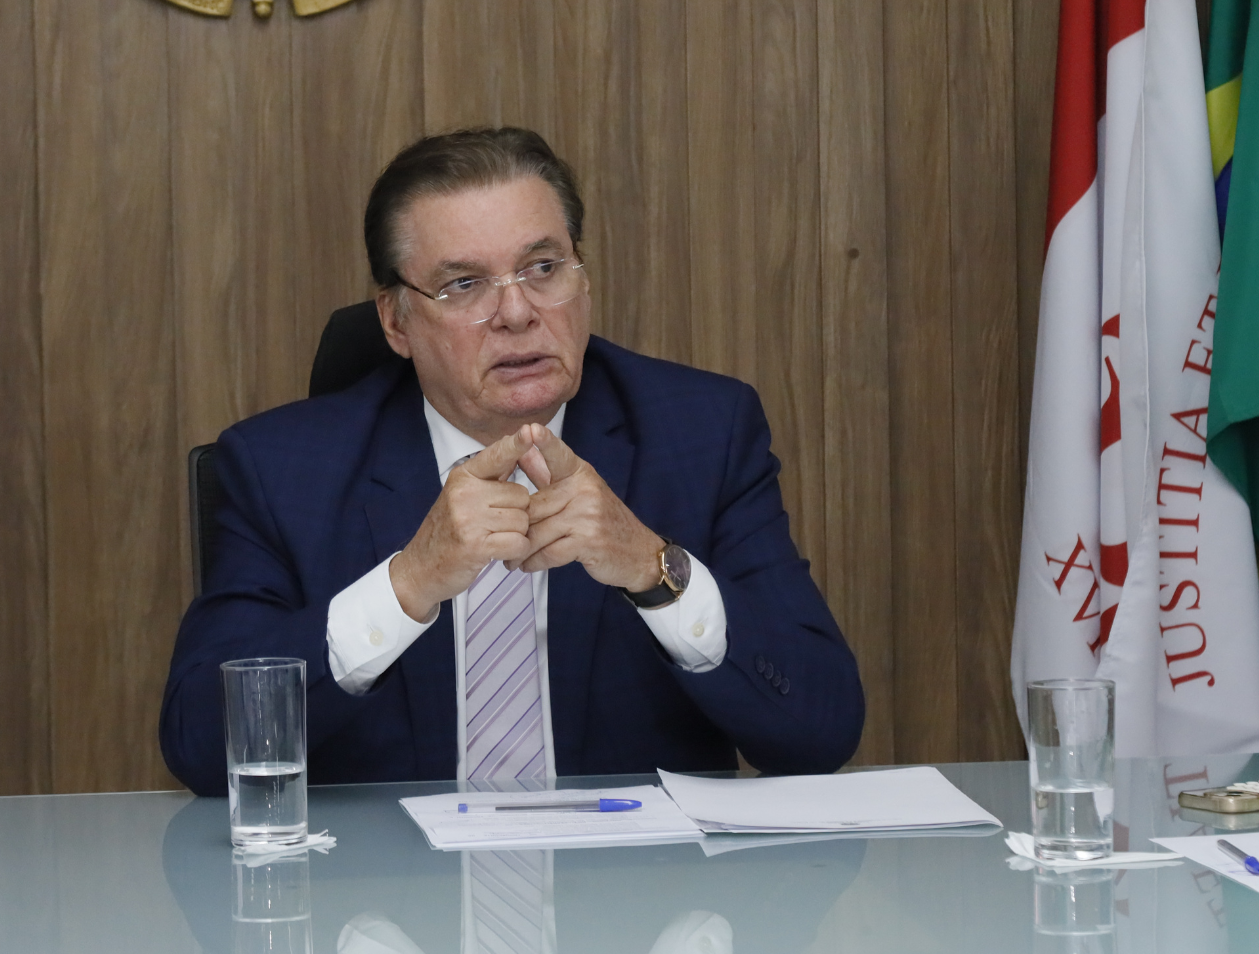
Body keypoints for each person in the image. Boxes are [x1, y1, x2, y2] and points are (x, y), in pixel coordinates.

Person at [160, 127, 864, 789]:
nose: (519, 312)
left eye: (543, 268)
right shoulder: (283, 469)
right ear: (396, 321)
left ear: (582, 278)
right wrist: (407, 583)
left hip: (632, 873)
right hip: (387, 875)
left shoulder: (702, 434)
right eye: (464, 284)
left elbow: (821, 730)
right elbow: (202, 747)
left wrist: (654, 569)